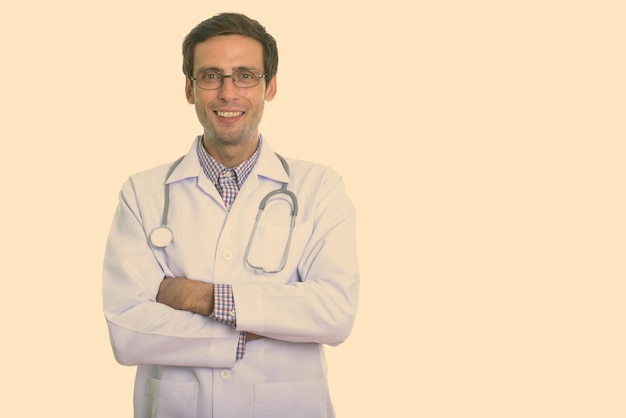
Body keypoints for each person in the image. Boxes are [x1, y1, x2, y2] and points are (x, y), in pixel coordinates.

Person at [102, 12, 359, 418]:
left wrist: (194, 295)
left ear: (269, 87)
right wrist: (261, 325)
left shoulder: (319, 188)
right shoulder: (142, 192)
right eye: (210, 76)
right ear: (189, 89)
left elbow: (333, 313)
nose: (227, 93)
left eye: (245, 75)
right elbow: (128, 332)